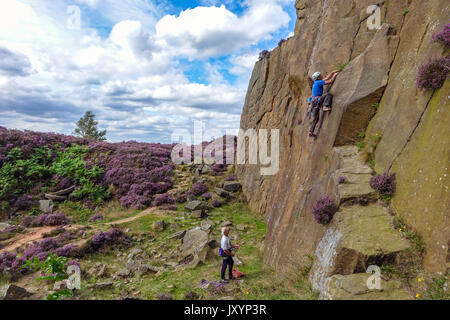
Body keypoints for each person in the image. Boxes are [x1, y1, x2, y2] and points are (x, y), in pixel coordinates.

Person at [309, 70, 339, 138]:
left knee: (316, 119)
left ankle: (311, 132)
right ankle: (325, 106)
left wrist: (332, 72)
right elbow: (330, 81)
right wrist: (335, 75)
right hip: (317, 100)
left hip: (314, 102)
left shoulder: (316, 82)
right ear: (318, 77)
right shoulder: (319, 82)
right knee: (329, 94)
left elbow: (327, 78)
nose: (322, 75)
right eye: (320, 75)